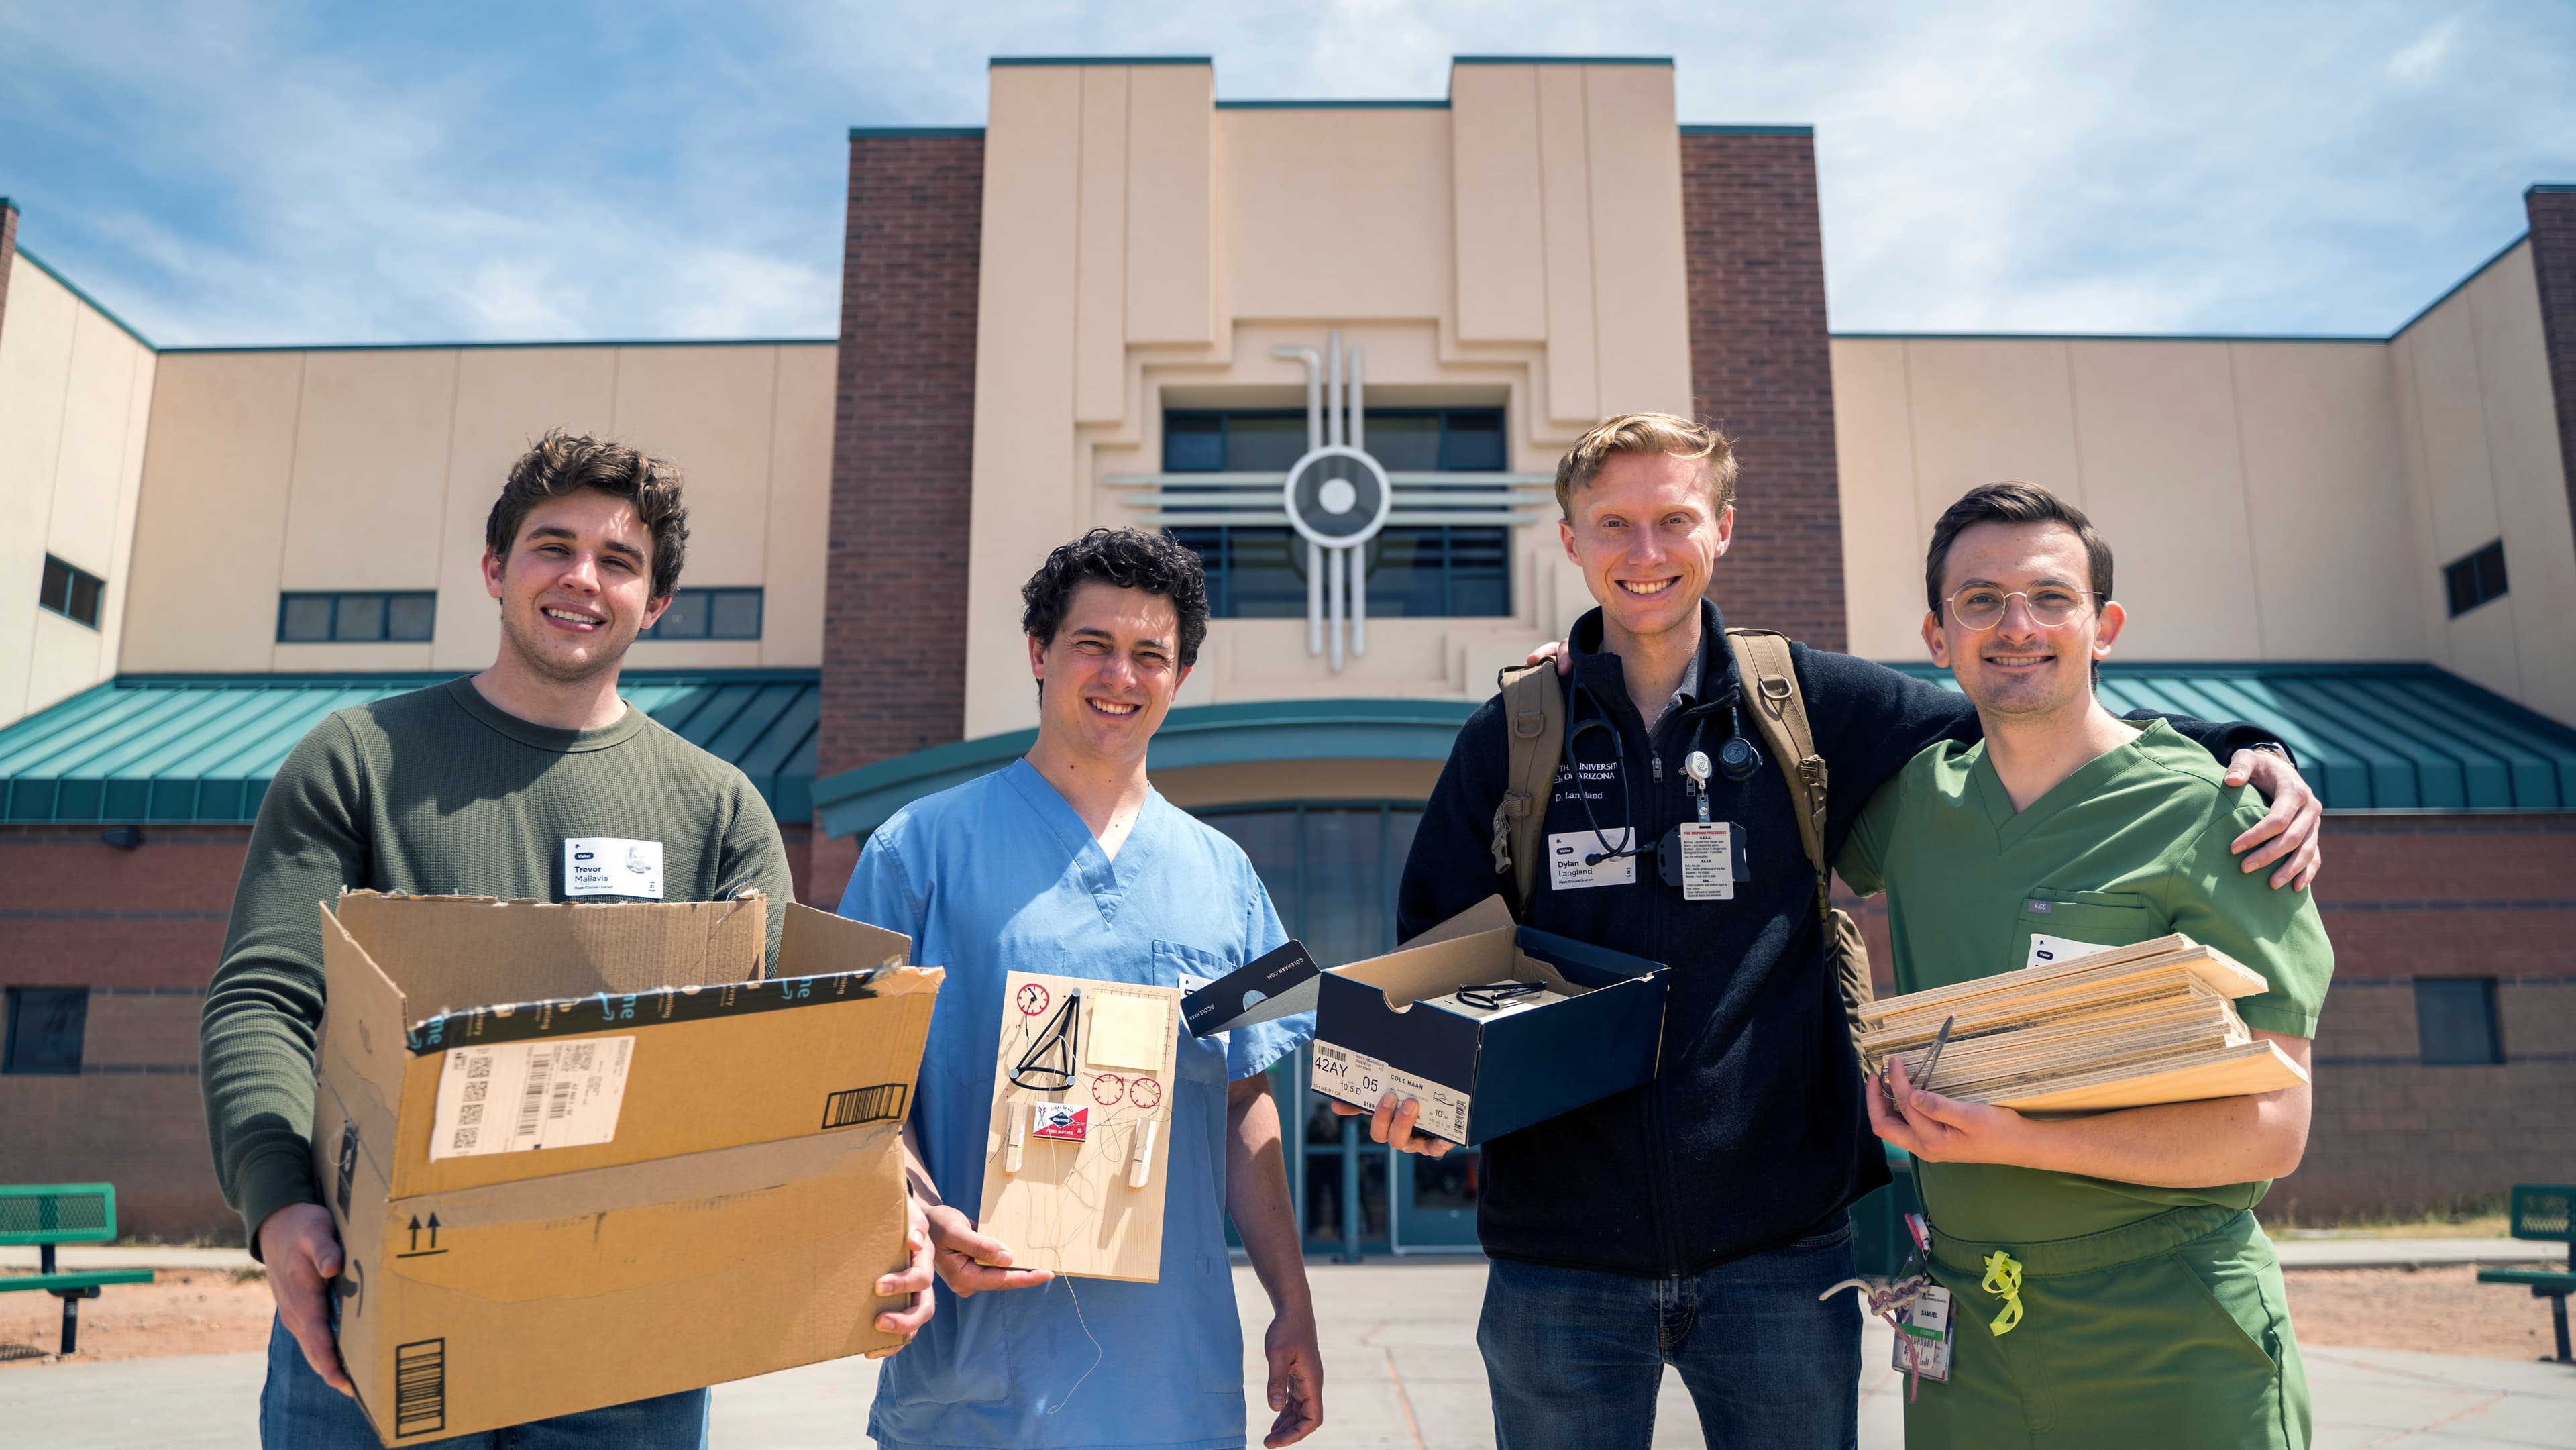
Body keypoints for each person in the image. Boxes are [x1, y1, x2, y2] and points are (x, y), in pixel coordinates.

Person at [1372, 413, 2324, 1449]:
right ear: (1570, 540)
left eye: (1675, 519)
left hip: (1781, 1260)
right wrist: (1423, 1095)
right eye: (1614, 524)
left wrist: (2245, 745)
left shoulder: (1806, 701)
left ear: (1723, 528)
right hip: (1557, 1265)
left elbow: (2027, 709)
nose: (1646, 551)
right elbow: (1437, 953)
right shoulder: (1515, 733)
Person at [200, 432, 935, 1449]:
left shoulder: (718, 808)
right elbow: (266, 997)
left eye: (618, 561)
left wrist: (892, 1209)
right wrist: (278, 1201)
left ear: (655, 601)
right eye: (553, 547)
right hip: (375, 1314)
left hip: (630, 1352)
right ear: (495, 569)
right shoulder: (360, 760)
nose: (583, 578)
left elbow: (783, 1067)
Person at [1847, 482, 2329, 1448]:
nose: (2017, 625)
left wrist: (2013, 1138)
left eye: (2050, 597)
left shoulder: (2217, 814)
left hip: (2173, 1331)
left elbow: (2274, 1130)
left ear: (2103, 627)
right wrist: (1582, 673)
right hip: (1966, 1337)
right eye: (1980, 600)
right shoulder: (1912, 805)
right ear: (1938, 637)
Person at [837, 527, 1323, 1450]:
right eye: (1092, 644)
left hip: (1174, 1384)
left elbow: (1242, 1097)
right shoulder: (917, 852)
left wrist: (1291, 1302)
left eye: (1151, 655)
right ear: (1039, 652)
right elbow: (856, 1096)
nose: (1120, 676)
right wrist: (919, 1210)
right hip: (977, 1387)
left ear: (1180, 676)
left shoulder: (1225, 876)